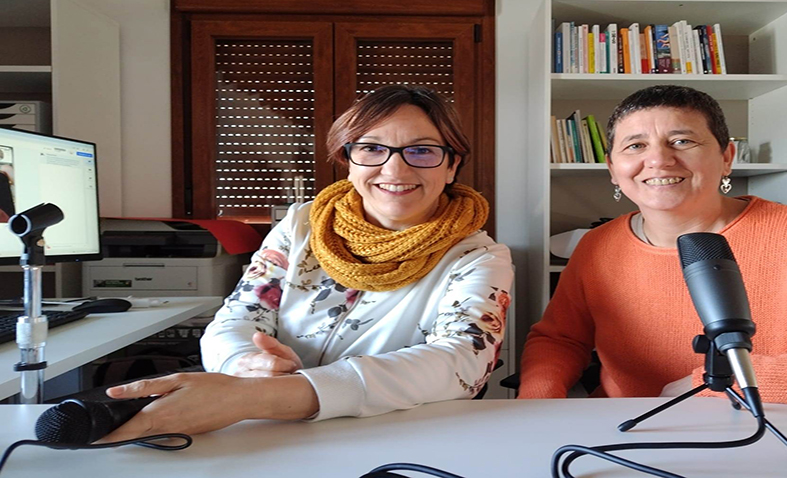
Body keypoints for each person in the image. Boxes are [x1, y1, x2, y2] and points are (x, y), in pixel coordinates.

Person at [100, 85, 513, 441]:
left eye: (422, 150)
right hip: (267, 432)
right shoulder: (301, 225)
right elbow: (237, 320)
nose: (394, 168)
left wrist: (261, 397)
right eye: (371, 148)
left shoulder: (478, 257)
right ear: (348, 160)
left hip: (396, 434)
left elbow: (460, 363)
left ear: (452, 164)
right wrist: (243, 363)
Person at [518, 85, 787, 411]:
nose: (659, 160)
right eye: (635, 146)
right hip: (624, 438)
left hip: (768, 433)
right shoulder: (595, 246)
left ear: (727, 157)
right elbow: (559, 339)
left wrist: (727, 379)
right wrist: (537, 405)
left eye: (682, 141)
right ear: (613, 169)